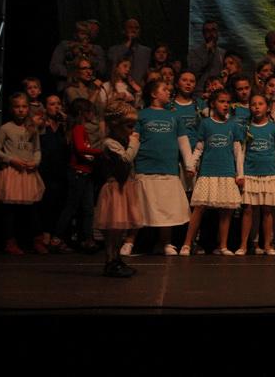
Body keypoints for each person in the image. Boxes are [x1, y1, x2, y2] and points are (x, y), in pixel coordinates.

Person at [121, 80, 194, 256]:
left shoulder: (174, 116)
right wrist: (128, 159)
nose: (168, 92)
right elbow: (134, 139)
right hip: (146, 168)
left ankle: (166, 243)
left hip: (168, 169)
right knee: (140, 208)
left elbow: (183, 142)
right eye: (164, 89)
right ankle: (129, 241)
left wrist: (189, 164)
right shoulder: (142, 115)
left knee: (166, 208)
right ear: (154, 94)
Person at [181, 90, 244, 256]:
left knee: (226, 211)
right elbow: (199, 148)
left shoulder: (233, 125)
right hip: (208, 172)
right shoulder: (206, 124)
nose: (225, 105)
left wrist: (240, 174)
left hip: (227, 172)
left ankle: (222, 246)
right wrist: (191, 165)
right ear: (213, 104)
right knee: (199, 208)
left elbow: (238, 151)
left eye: (227, 102)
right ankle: (187, 244)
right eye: (222, 101)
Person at [239, 94, 275, 255]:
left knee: (267, 210)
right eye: (253, 104)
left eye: (260, 104)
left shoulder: (274, 128)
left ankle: (268, 245)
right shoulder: (246, 128)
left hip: (269, 174)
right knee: (248, 210)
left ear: (267, 107)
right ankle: (245, 245)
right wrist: (240, 174)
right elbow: (241, 152)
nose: (257, 107)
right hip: (250, 174)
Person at [0, 93, 46, 254]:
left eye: (24, 106)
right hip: (12, 173)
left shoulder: (32, 128)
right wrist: (11, 160)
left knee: (32, 209)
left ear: (28, 108)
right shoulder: (6, 128)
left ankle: (36, 241)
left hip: (28, 173)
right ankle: (10, 242)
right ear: (11, 109)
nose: (21, 110)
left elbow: (37, 149)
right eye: (17, 107)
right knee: (10, 210)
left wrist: (35, 162)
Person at [95, 100, 143, 277]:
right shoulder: (110, 143)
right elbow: (125, 159)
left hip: (125, 187)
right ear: (116, 125)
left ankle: (116, 258)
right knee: (113, 229)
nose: (132, 131)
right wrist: (134, 143)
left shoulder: (122, 141)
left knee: (120, 229)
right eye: (129, 126)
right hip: (115, 189)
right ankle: (110, 260)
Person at [53, 98, 102, 254]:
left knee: (88, 209)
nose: (92, 114)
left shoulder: (80, 128)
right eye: (89, 111)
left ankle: (88, 240)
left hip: (85, 172)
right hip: (78, 172)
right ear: (82, 113)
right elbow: (81, 148)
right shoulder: (78, 128)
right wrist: (100, 152)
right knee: (72, 207)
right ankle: (56, 238)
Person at [37, 95, 69, 252]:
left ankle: (55, 237)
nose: (56, 107)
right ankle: (44, 236)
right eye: (52, 104)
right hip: (45, 170)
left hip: (61, 170)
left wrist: (67, 124)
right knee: (46, 203)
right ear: (45, 107)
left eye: (58, 103)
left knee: (59, 203)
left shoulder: (63, 125)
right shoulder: (42, 124)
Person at [50, 20, 107, 90]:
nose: (86, 37)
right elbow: (54, 67)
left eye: (88, 34)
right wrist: (74, 73)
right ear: (75, 35)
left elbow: (102, 70)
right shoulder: (65, 46)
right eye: (82, 34)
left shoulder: (96, 49)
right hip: (69, 85)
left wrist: (90, 55)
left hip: (91, 86)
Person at [63, 57, 106, 149]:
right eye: (84, 68)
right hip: (83, 135)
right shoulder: (71, 90)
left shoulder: (92, 90)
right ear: (76, 71)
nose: (89, 72)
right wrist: (96, 91)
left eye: (90, 68)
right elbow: (83, 109)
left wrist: (103, 136)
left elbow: (100, 115)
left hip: (97, 135)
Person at [107, 19, 152, 84]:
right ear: (123, 31)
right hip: (119, 87)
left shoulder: (146, 51)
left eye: (136, 28)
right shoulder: (114, 50)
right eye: (130, 27)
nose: (134, 30)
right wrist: (128, 43)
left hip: (139, 87)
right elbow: (113, 67)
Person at [188, 20, 224, 93]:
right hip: (200, 91)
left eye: (213, 30)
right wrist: (206, 51)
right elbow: (193, 72)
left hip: (219, 92)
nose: (211, 33)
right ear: (203, 34)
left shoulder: (223, 53)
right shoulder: (194, 53)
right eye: (207, 31)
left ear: (217, 33)